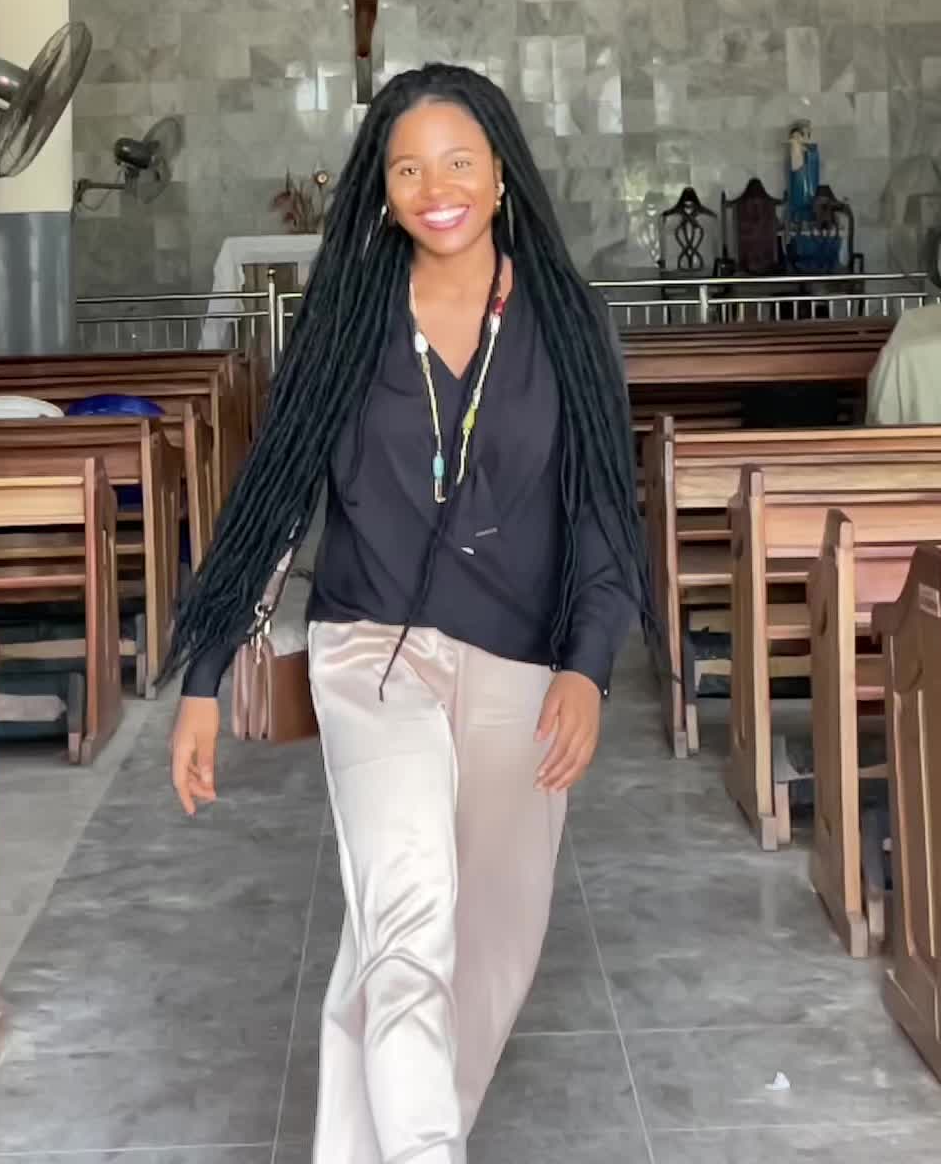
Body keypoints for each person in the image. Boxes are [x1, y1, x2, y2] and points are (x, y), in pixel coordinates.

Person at [164, 62, 643, 1164]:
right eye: (409, 169)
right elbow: (275, 498)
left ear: (502, 176)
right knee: (411, 921)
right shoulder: (347, 322)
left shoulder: (568, 324)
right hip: (371, 653)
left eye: (459, 162)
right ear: (381, 192)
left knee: (486, 953)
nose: (438, 189)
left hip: (522, 661)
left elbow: (603, 518)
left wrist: (588, 665)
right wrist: (204, 679)